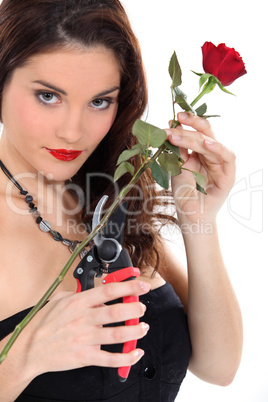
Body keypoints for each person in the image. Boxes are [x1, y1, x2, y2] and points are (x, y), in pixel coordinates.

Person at [0, 0, 243, 401]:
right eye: (48, 96)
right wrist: (26, 356)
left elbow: (219, 368)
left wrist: (198, 220)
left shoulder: (108, 200)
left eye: (99, 101)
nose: (73, 132)